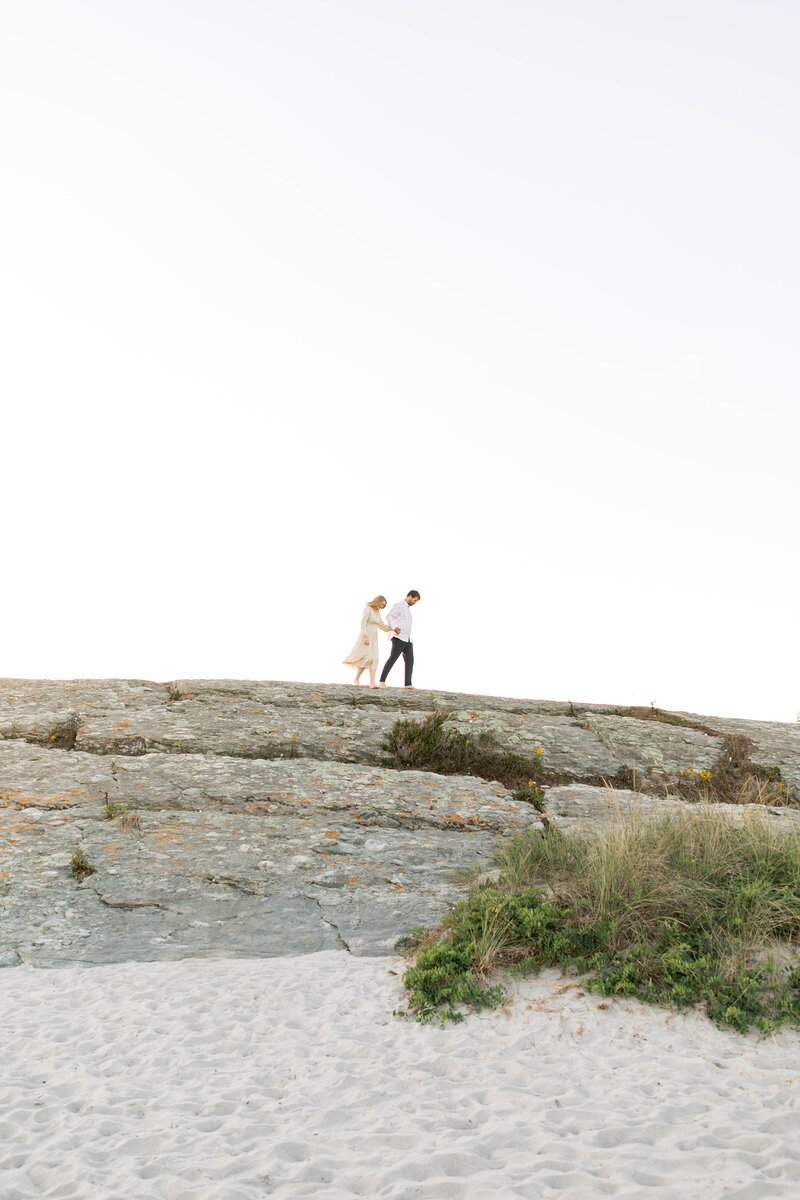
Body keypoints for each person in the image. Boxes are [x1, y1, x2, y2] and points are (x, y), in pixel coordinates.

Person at [343, 595, 394, 688]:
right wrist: (365, 636)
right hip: (366, 636)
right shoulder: (368, 609)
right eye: (381, 604)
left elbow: (382, 625)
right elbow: (363, 623)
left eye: (383, 606)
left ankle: (372, 683)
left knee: (375, 658)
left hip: (374, 637)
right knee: (368, 658)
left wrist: (393, 627)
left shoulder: (377, 612)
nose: (382, 607)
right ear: (377, 601)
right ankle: (356, 679)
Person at [378, 590, 421, 689]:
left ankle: (408, 684)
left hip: (407, 639)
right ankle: (382, 681)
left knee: (410, 660)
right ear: (409, 596)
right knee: (393, 658)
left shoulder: (407, 609)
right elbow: (389, 616)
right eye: (414, 600)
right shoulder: (400, 605)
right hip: (399, 638)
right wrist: (394, 628)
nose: (415, 603)